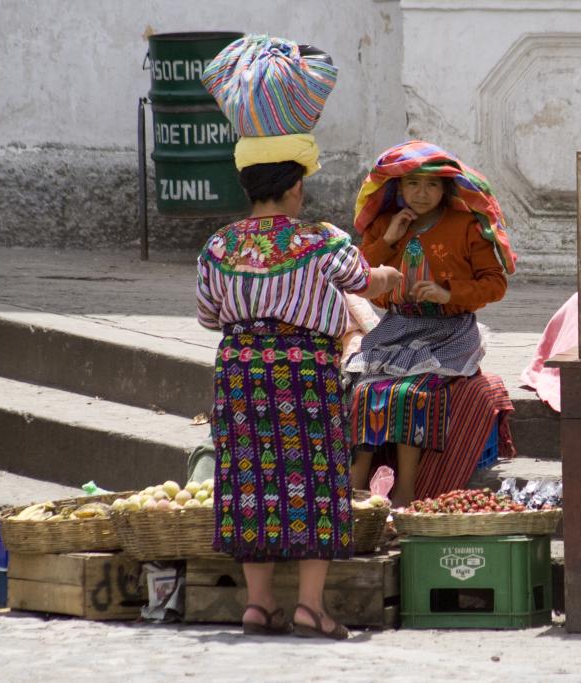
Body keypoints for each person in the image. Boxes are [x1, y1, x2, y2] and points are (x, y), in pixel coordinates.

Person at [198, 35, 401, 639]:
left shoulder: (219, 246)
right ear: (296, 185)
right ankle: (310, 605)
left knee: (249, 478)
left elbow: (209, 315)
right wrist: (393, 271)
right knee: (313, 478)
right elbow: (366, 280)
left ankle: (258, 603)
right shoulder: (321, 240)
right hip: (303, 373)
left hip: (237, 370)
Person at [345, 140, 517, 507]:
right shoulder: (383, 225)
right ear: (397, 187)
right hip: (397, 327)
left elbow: (494, 284)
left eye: (432, 185)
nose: (422, 194)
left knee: (412, 392)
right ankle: (352, 489)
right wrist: (388, 240)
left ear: (446, 189)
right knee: (364, 392)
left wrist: (446, 293)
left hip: (449, 332)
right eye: (412, 184)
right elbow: (358, 278)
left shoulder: (467, 226)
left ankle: (407, 489)